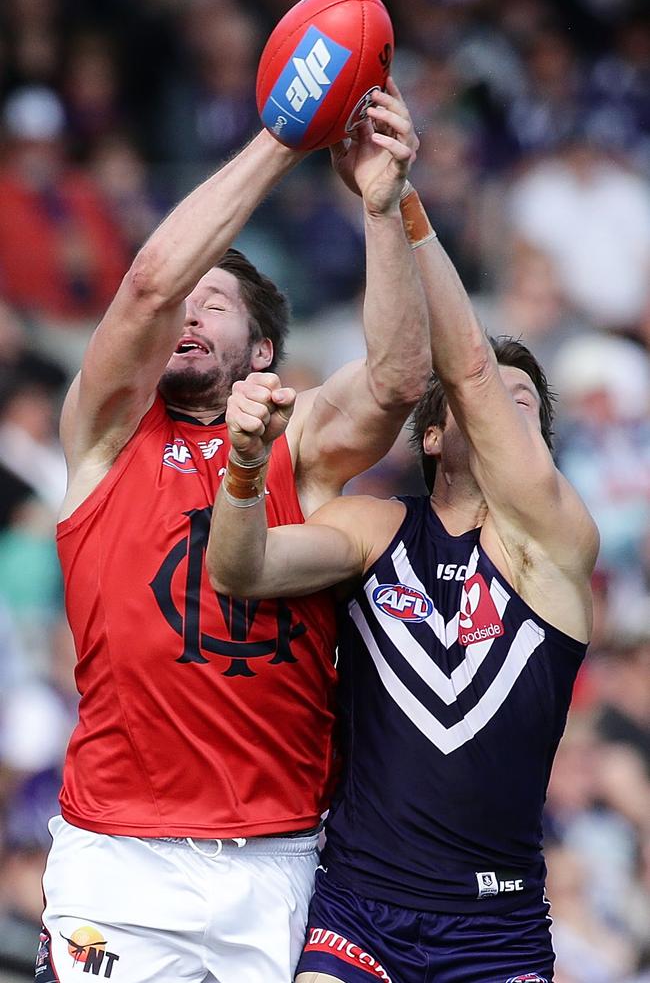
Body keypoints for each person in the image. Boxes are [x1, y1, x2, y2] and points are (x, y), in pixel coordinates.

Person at [39, 82, 432, 983]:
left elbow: (400, 380)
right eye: (188, 299)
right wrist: (284, 137)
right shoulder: (103, 434)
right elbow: (146, 285)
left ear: (262, 350)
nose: (187, 312)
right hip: (120, 857)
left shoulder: (296, 442)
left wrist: (384, 204)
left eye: (213, 304)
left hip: (283, 857)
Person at [208, 228, 600, 980]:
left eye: (525, 406)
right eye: (479, 405)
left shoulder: (555, 547)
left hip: (498, 925)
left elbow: (474, 369)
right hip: (359, 904)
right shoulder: (374, 525)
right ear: (429, 436)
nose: (500, 412)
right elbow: (242, 567)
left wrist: (405, 210)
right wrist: (247, 467)